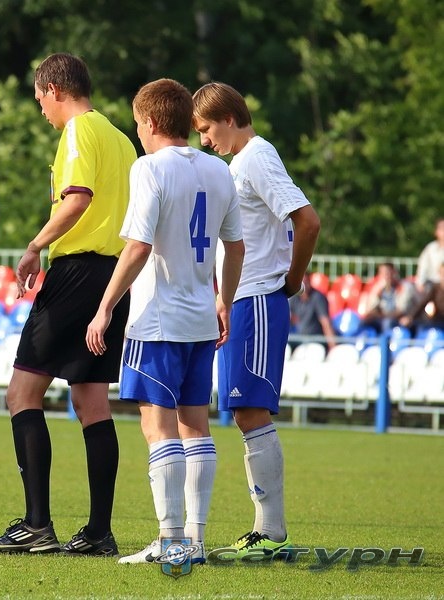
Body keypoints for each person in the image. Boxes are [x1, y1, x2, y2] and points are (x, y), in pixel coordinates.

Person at [0, 53, 137, 557]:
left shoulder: (77, 131)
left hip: (76, 273)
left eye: (39, 100)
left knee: (21, 393)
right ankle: (98, 532)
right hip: (114, 275)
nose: (42, 110)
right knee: (92, 402)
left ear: (53, 90)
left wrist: (34, 246)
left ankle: (37, 524)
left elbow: (78, 198)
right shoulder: (121, 139)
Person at [84, 78, 244, 565]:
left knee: (158, 427)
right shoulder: (219, 170)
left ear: (150, 122)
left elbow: (138, 246)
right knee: (196, 426)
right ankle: (195, 540)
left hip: (156, 321)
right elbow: (235, 246)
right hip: (200, 319)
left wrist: (105, 307)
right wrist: (224, 301)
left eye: (137, 124)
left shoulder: (149, 168)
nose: (138, 131)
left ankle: (171, 541)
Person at [192, 81, 321, 558]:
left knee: (250, 411)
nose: (204, 140)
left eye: (207, 129)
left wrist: (291, 279)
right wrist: (225, 298)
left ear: (228, 118)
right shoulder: (241, 162)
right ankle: (267, 530)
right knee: (243, 412)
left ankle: (272, 532)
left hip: (261, 298)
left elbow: (307, 220)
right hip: (243, 300)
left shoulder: (257, 157)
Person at [360, 262, 417, 334]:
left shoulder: (404, 287)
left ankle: (385, 340)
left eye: (388, 273)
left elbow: (401, 310)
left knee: (387, 322)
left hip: (400, 320)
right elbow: (370, 310)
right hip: (382, 318)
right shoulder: (378, 288)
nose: (386, 276)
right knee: (363, 322)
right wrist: (376, 295)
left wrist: (383, 316)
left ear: (394, 273)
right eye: (382, 273)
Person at [289, 272, 337, 348]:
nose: (304, 286)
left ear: (309, 281)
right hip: (298, 340)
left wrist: (332, 347)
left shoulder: (318, 297)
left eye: (305, 282)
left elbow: (325, 323)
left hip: (315, 341)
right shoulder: (294, 297)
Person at [400, 261, 444, 331]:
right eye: (442, 273)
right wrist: (410, 317)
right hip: (438, 320)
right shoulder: (435, 288)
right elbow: (423, 303)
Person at [416, 219, 444, 294]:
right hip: (432, 283)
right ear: (436, 232)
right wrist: (420, 282)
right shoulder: (431, 248)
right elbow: (423, 266)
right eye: (442, 228)